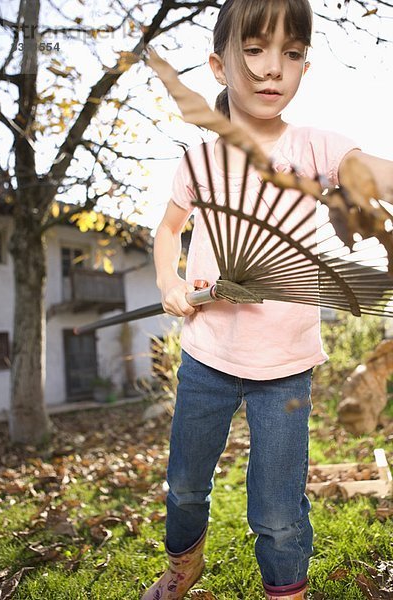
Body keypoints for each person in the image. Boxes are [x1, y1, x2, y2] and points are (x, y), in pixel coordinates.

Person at [141, 1, 393, 599]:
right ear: (218, 66)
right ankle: (184, 563)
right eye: (253, 50)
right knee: (184, 487)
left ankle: (287, 590)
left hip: (285, 369)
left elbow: (362, 168)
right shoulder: (197, 159)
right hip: (206, 357)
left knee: (278, 511)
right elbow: (167, 231)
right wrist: (170, 284)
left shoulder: (311, 148)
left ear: (306, 67)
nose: (270, 68)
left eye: (291, 53)